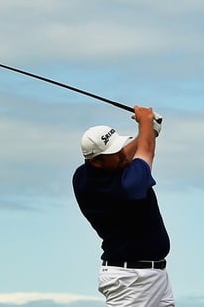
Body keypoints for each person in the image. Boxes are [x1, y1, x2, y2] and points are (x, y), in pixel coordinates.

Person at [73, 105, 174, 307]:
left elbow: (126, 154)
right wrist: (145, 122)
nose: (121, 154)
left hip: (148, 276)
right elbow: (147, 150)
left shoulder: (82, 177)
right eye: (114, 152)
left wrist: (150, 131)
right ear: (97, 162)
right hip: (132, 280)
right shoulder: (129, 186)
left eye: (119, 148)